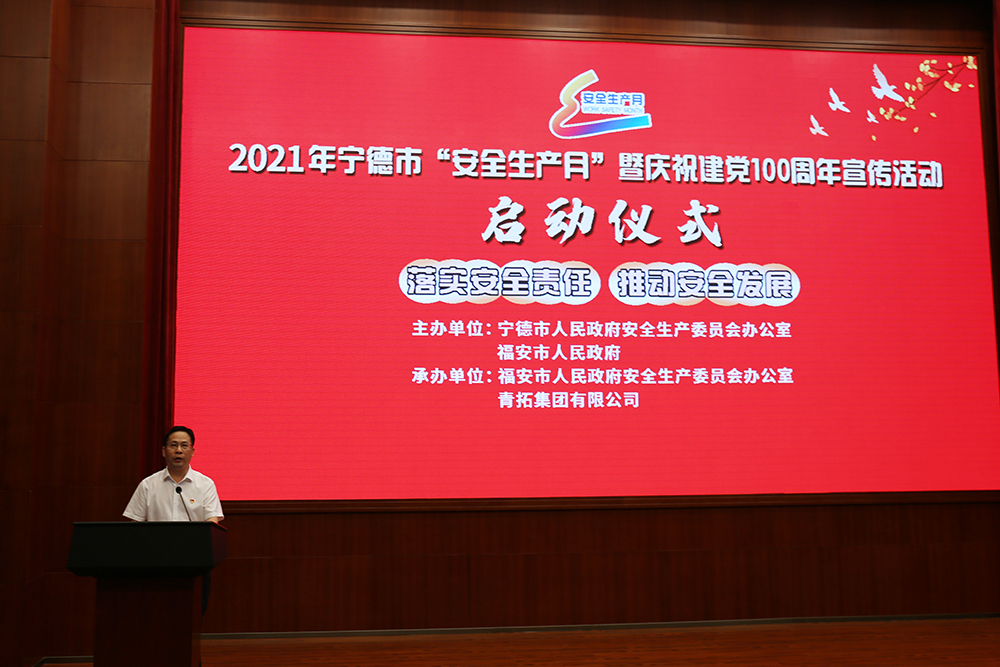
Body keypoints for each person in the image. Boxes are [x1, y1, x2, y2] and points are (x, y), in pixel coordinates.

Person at [124, 425, 223, 615]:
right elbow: (135, 525)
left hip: (194, 560)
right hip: (155, 561)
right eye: (173, 445)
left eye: (184, 445)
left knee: (192, 615)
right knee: (156, 613)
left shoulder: (205, 484)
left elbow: (212, 521)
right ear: (164, 451)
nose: (179, 450)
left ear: (192, 451)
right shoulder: (148, 485)